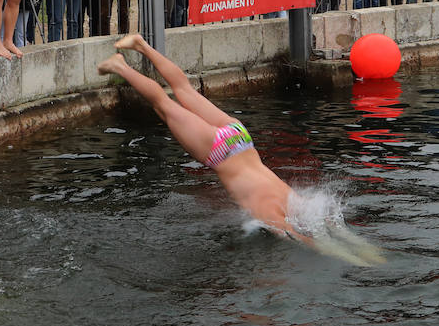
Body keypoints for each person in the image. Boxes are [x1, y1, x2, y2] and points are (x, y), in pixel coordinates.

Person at [98, 34, 301, 236]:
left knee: (184, 89)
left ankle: (141, 44)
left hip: (240, 137)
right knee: (163, 105)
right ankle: (120, 67)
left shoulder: (292, 200)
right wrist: (326, 251)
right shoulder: (275, 212)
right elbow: (295, 237)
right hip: (219, 151)